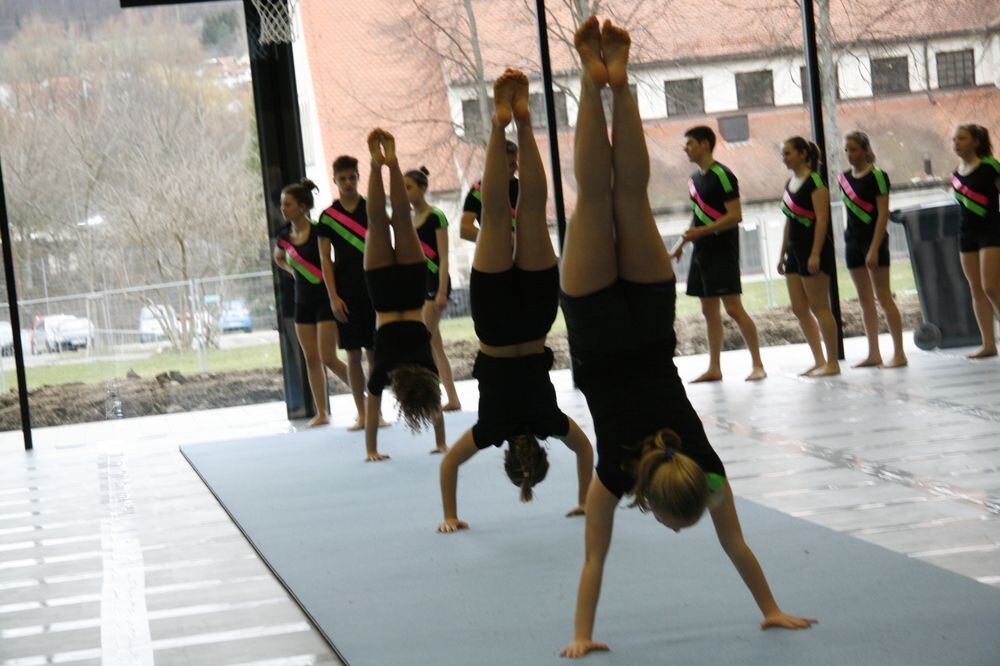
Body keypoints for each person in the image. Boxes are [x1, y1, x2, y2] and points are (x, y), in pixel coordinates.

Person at [558, 18, 816, 659]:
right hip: (594, 327)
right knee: (595, 198)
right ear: (656, 500)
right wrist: (580, 637)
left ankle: (617, 78)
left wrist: (774, 607)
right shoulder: (614, 477)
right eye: (680, 525)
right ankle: (593, 82)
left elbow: (737, 545)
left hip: (648, 321)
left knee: (628, 195)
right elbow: (593, 564)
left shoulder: (709, 469)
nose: (678, 531)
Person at [436, 69, 593, 534]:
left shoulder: (550, 421)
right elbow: (448, 467)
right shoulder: (490, 429)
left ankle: (522, 121)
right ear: (507, 455)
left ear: (542, 452)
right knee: (499, 215)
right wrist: (449, 516)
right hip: (495, 325)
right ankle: (500, 124)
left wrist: (587, 501)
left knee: (529, 212)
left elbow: (586, 452)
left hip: (536, 318)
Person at [363, 129, 447, 461]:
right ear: (400, 392)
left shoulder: (426, 368)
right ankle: (375, 165)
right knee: (378, 221)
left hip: (411, 292)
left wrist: (442, 442)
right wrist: (371, 449)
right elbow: (373, 411)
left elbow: (436, 404)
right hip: (383, 295)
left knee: (400, 220)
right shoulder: (384, 370)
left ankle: (392, 163)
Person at [673, 125, 766, 382]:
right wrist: (681, 244)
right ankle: (714, 367)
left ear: (704, 144)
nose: (686, 148)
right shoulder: (693, 180)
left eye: (690, 143)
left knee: (734, 308)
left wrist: (702, 233)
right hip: (702, 252)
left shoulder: (723, 175)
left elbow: (735, 215)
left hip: (723, 251)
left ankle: (758, 364)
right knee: (708, 310)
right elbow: (697, 216)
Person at [272, 178, 351, 427]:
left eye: (288, 204)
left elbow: (332, 260)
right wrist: (291, 270)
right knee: (312, 359)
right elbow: (278, 258)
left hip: (324, 300)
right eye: (282, 204)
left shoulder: (319, 231)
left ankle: (367, 397)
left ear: (303, 207)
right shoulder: (284, 236)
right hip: (301, 302)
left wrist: (335, 294)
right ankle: (322, 412)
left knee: (329, 357)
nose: (283, 209)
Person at [318, 155, 386, 430]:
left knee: (374, 354)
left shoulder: (372, 209)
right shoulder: (327, 217)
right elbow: (325, 259)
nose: (348, 183)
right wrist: (333, 297)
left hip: (374, 290)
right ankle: (362, 413)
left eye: (352, 177)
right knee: (353, 355)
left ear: (358, 177)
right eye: (342, 178)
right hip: (345, 293)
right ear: (334, 181)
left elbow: (386, 246)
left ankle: (377, 413)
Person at [838, 132, 907, 368]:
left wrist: (875, 248)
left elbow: (882, 214)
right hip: (852, 242)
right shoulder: (843, 178)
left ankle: (899, 353)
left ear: (866, 149)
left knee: (883, 296)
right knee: (864, 300)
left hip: (874, 242)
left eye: (854, 149)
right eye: (847, 150)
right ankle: (873, 353)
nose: (850, 154)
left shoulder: (877, 176)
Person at [777, 137, 840, 377]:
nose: (784, 158)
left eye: (788, 153)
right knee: (799, 308)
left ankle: (832, 362)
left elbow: (822, 219)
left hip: (813, 250)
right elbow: (788, 221)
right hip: (794, 251)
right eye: (783, 154)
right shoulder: (789, 182)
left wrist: (815, 253)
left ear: (803, 154)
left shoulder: (815, 181)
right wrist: (782, 253)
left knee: (819, 306)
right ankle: (818, 359)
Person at [404, 167, 462, 411]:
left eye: (409, 187)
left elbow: (445, 257)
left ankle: (433, 396)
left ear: (423, 188)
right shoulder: (408, 220)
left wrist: (441, 290)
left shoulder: (435, 216)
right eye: (403, 188)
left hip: (435, 283)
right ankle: (452, 398)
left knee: (423, 342)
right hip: (418, 285)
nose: (406, 192)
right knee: (434, 344)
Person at [951, 124, 1000, 359]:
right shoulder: (956, 173)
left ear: (976, 142)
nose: (956, 143)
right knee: (976, 288)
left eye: (961, 138)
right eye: (954, 139)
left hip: (991, 231)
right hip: (966, 233)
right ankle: (988, 344)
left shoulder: (991, 166)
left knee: (991, 286)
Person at [459, 140, 520, 242]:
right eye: (511, 164)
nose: (516, 167)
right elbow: (465, 230)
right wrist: (501, 240)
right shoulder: (479, 192)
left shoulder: (522, 188)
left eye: (515, 163)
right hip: (494, 255)